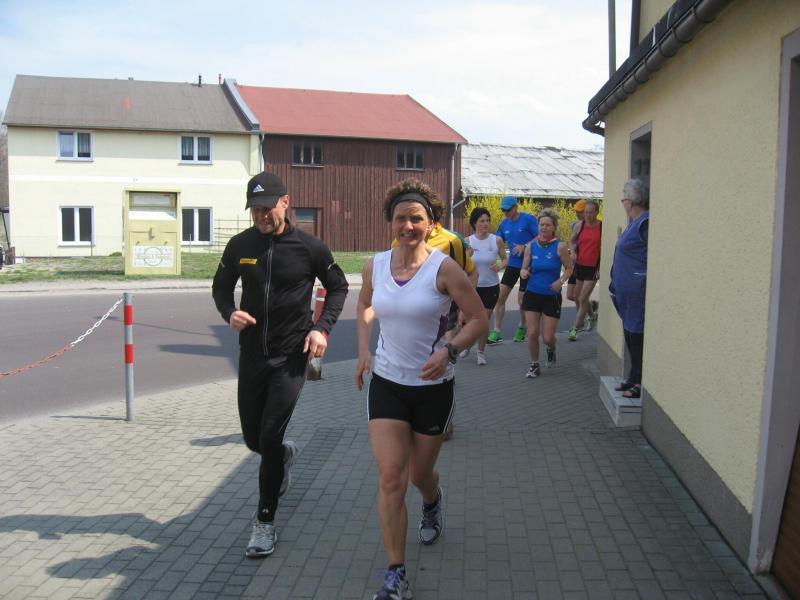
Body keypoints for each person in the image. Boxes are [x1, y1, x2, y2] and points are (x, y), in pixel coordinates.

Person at [355, 178, 487, 600]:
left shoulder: (444, 269)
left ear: (431, 224)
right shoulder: (375, 266)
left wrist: (450, 351)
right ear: (391, 222)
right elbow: (365, 304)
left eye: (416, 218)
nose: (407, 226)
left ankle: (432, 501)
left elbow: (479, 319)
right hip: (387, 384)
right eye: (400, 218)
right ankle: (396, 574)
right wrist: (363, 350)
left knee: (419, 475)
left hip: (433, 388)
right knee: (391, 476)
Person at [212, 171, 348, 558]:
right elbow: (220, 287)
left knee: (269, 436)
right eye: (254, 210)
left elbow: (338, 287)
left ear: (285, 203)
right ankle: (284, 456)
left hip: (290, 357)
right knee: (253, 440)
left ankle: (265, 523)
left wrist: (321, 328)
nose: (260, 216)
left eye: (266, 208)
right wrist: (229, 312)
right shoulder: (241, 245)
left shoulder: (309, 247)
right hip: (252, 354)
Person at [608, 179, 650, 399]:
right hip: (625, 292)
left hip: (637, 291)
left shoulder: (645, 222)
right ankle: (633, 377)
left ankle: (640, 382)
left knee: (636, 336)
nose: (622, 202)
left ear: (631, 200)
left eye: (623, 198)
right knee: (629, 334)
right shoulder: (633, 223)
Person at [519, 208, 572, 378]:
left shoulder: (560, 247)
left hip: (551, 296)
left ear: (554, 227)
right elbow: (523, 269)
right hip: (532, 294)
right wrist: (524, 273)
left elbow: (569, 268)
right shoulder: (531, 247)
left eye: (547, 225)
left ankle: (551, 348)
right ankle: (535, 364)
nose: (544, 228)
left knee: (547, 337)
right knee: (532, 333)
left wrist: (560, 282)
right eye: (541, 225)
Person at [487, 195, 539, 344]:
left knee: (522, 300)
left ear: (516, 207)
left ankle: (522, 327)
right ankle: (497, 331)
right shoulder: (504, 224)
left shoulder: (528, 219)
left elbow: (540, 236)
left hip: (528, 265)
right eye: (503, 210)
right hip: (512, 264)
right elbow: (497, 242)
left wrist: (525, 246)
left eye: (507, 210)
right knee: (500, 297)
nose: (505, 213)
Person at [465, 206, 506, 365]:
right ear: (474, 223)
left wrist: (500, 265)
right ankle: (467, 344)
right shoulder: (468, 241)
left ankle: (480, 352)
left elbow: (505, 259)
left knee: (483, 321)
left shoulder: (496, 240)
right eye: (482, 221)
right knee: (471, 320)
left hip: (491, 287)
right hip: (473, 287)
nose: (486, 223)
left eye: (487, 220)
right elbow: (461, 264)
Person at [568, 199, 602, 341]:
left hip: (593, 267)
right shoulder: (579, 226)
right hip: (580, 265)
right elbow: (572, 241)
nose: (588, 215)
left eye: (590, 212)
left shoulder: (602, 227)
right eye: (586, 212)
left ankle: (576, 328)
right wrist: (573, 252)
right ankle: (592, 316)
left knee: (582, 298)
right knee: (577, 296)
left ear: (597, 212)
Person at [565, 199, 585, 304]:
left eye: (579, 211)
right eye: (576, 211)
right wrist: (572, 253)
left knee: (578, 295)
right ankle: (592, 305)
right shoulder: (575, 225)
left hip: (585, 265)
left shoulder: (595, 226)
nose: (577, 214)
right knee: (570, 295)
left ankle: (584, 312)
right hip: (574, 264)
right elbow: (571, 242)